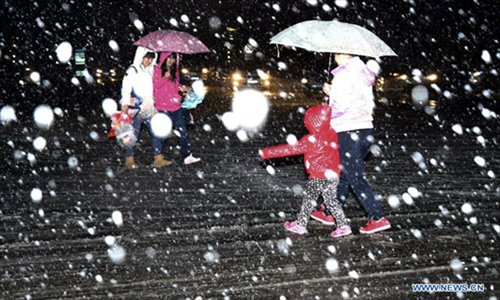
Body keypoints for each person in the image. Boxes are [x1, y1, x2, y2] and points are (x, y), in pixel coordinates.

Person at [312, 53, 391, 234]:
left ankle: (377, 217)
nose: (333, 55)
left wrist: (330, 97)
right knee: (344, 172)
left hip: (348, 130)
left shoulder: (342, 75)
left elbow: (342, 107)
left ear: (341, 53)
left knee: (354, 176)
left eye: (335, 52)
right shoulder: (362, 72)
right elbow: (357, 100)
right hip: (365, 129)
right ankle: (330, 211)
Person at [260, 104, 351, 237]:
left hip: (317, 176)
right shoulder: (332, 133)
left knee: (309, 200)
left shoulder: (310, 139)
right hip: (333, 175)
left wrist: (267, 153)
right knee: (331, 201)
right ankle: (343, 225)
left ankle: (301, 224)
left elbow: (290, 149)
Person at [120, 47, 173, 169]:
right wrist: (124, 104)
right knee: (132, 134)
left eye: (151, 58)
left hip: (150, 106)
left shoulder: (154, 71)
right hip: (136, 107)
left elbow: (158, 85)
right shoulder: (133, 70)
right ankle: (129, 160)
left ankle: (158, 158)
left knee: (156, 132)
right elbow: (126, 87)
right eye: (146, 57)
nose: (148, 60)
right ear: (141, 56)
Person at [153, 52, 201, 165]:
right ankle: (158, 157)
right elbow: (155, 86)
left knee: (183, 132)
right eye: (169, 57)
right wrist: (165, 77)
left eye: (173, 58)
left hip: (176, 106)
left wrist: (181, 88)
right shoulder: (157, 69)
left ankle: (187, 156)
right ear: (164, 58)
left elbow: (174, 88)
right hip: (162, 107)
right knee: (162, 133)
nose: (171, 60)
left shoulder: (175, 72)